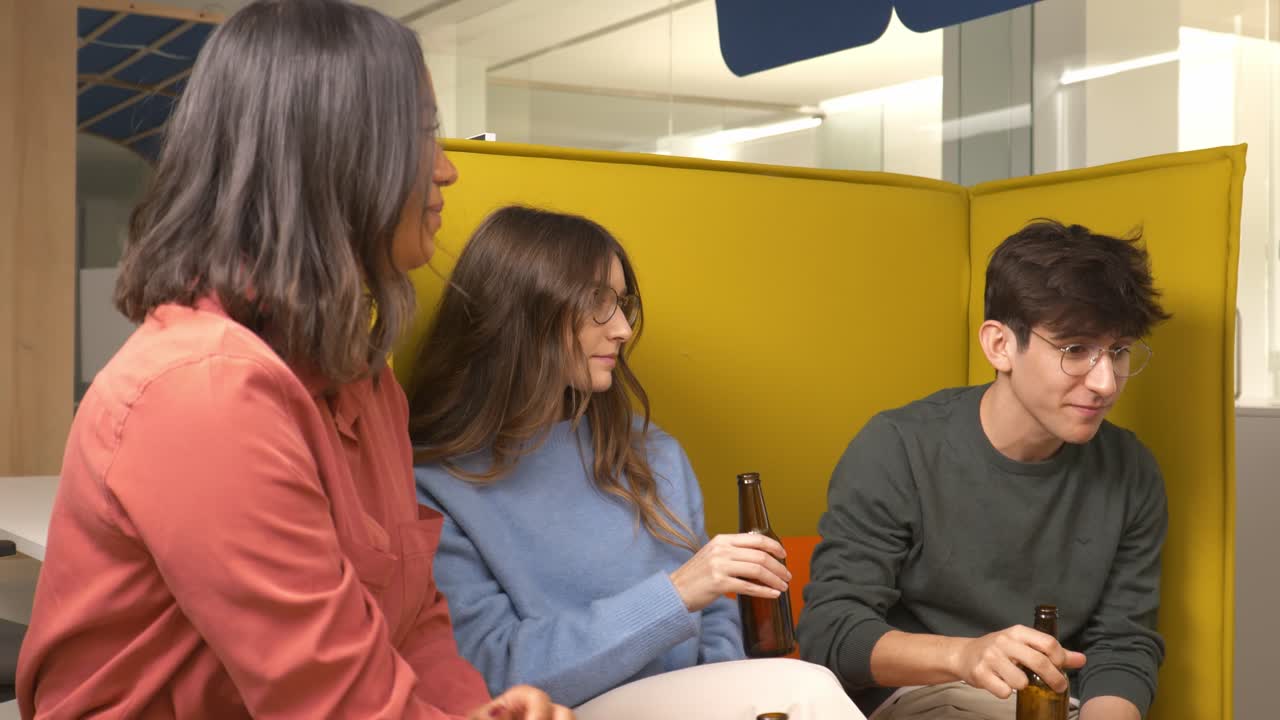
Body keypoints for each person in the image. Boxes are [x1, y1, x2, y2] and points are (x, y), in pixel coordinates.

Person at [16, 2, 569, 718]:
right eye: (424, 135)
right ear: (335, 153)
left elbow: (411, 621)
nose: (448, 170)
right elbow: (334, 701)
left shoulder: (365, 377)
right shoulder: (205, 393)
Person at [410, 205, 863, 720]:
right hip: (560, 710)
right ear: (524, 313)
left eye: (622, 304)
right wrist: (675, 594)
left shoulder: (653, 454)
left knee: (786, 690)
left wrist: (728, 689)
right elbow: (493, 669)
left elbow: (718, 621)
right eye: (598, 304)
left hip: (699, 702)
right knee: (801, 687)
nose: (623, 329)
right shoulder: (438, 485)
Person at [797, 220, 1171, 720]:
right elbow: (831, 630)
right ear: (999, 346)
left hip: (1060, 706)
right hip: (920, 698)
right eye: (1075, 350)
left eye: (1120, 351)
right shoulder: (898, 447)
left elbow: (1123, 644)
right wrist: (964, 656)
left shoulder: (1131, 469)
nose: (1104, 382)